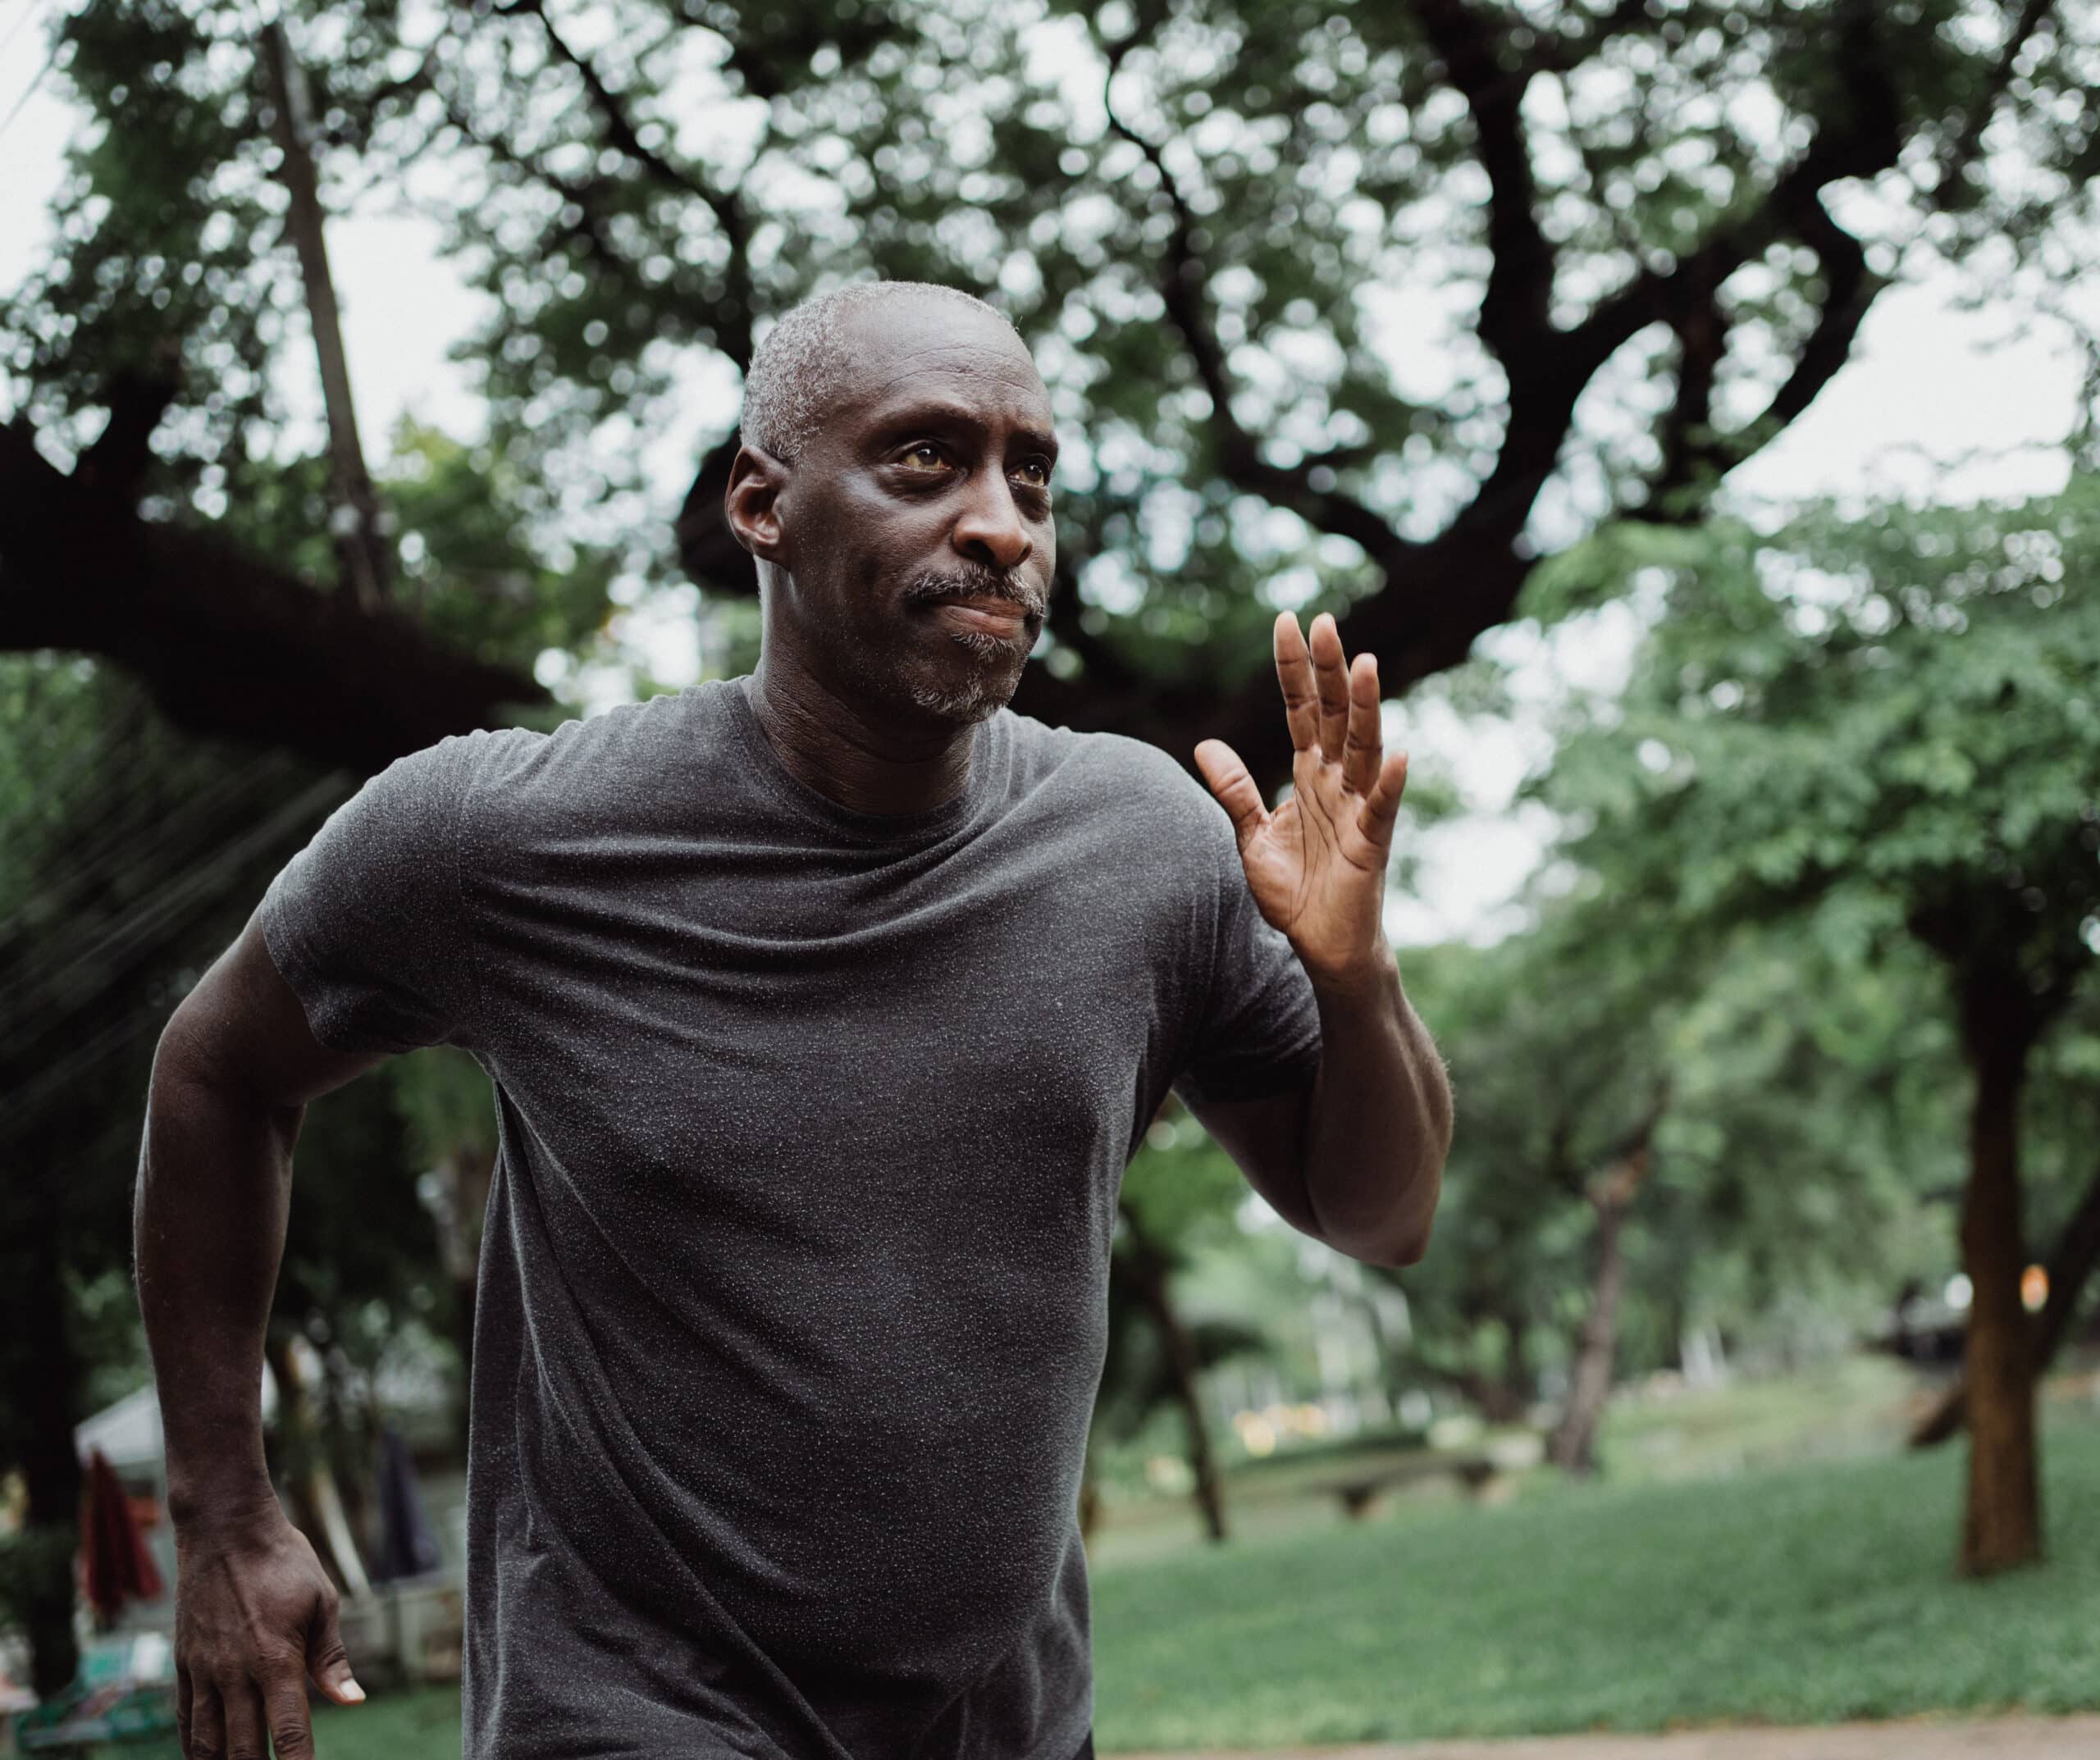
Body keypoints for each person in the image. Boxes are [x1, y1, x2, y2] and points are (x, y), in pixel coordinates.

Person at [134, 280, 1452, 1760]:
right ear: (760, 504)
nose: (1002, 522)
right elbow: (216, 1071)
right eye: (923, 458)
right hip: (631, 1714)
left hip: (1010, 1725)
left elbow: (1378, 1212)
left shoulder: (1144, 841)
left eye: (1032, 473)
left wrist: (1357, 976)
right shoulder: (504, 840)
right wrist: (226, 1510)